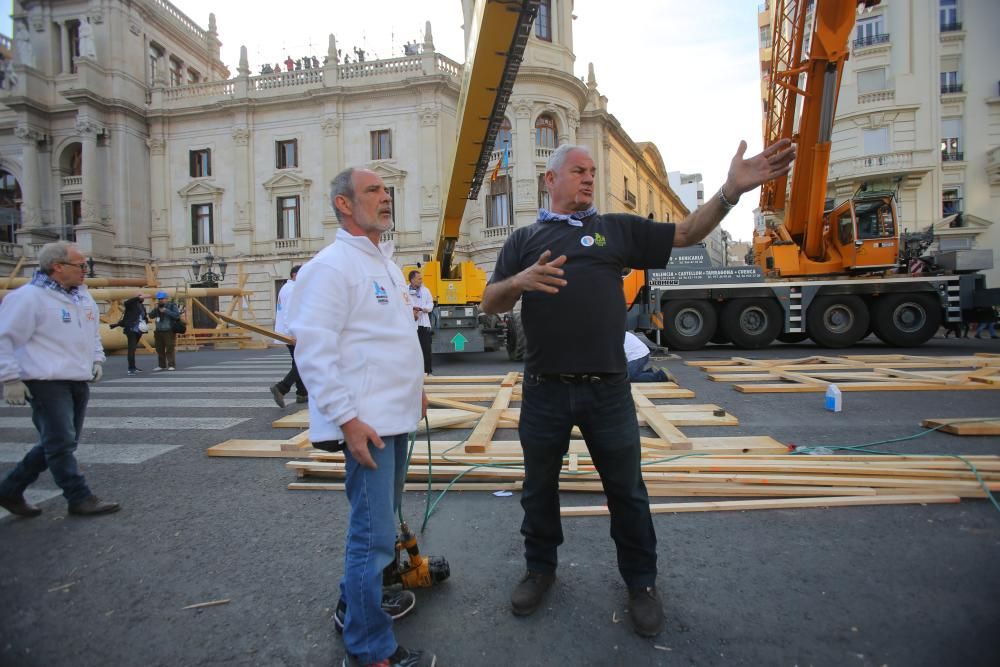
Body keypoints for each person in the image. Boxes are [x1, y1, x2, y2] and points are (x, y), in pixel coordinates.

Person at [481, 139, 794, 637]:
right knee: (539, 489)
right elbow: (489, 303)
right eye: (578, 171)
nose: (588, 178)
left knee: (627, 491)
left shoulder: (615, 230)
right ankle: (539, 569)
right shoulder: (524, 239)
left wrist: (731, 191)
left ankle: (641, 583)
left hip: (607, 390)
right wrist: (520, 280)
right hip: (545, 390)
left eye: (591, 171)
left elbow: (688, 231)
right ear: (551, 180)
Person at [288, 167, 434, 667]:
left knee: (380, 525)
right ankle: (370, 649)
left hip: (393, 418)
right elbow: (314, 352)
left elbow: (389, 340)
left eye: (388, 190)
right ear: (344, 204)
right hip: (366, 426)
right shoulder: (330, 268)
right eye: (373, 190)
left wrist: (415, 388)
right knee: (371, 538)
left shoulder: (388, 266)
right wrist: (347, 420)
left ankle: (355, 606)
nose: (385, 197)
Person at [0, 240, 120, 517]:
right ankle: (79, 497)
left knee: (60, 442)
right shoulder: (29, 298)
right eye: (80, 265)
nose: (85, 270)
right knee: (61, 441)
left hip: (77, 377)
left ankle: (9, 489)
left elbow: (91, 333)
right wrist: (10, 379)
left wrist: (96, 359)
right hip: (45, 380)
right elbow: (4, 338)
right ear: (58, 267)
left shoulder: (80, 296)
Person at [270, 265, 308, 408]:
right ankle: (281, 388)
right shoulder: (292, 290)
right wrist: (292, 334)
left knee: (298, 361)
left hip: (287, 332)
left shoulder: (286, 288)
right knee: (303, 362)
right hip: (292, 333)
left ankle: (302, 393)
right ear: (294, 275)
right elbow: (288, 313)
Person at [110, 293, 150, 376]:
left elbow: (144, 317)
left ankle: (134, 367)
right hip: (131, 329)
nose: (142, 298)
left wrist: (146, 322)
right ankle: (131, 369)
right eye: (140, 296)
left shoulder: (142, 306)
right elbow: (126, 303)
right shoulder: (131, 304)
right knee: (131, 349)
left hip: (139, 330)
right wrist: (137, 297)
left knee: (133, 348)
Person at [407, 270, 434, 375]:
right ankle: (413, 373)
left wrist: (425, 308)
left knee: (426, 348)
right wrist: (412, 311)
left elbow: (430, 303)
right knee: (412, 350)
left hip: (423, 323)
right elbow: (402, 303)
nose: (421, 280)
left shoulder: (425, 290)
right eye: (419, 278)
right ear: (412, 280)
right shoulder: (405, 290)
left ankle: (428, 371)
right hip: (411, 324)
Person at [148, 291, 180, 371]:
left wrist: (166, 311)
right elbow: (151, 316)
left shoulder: (172, 305)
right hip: (158, 330)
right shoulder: (157, 307)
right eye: (159, 299)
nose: (160, 300)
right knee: (159, 349)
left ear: (166, 299)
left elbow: (176, 315)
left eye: (162, 299)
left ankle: (171, 365)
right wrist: (155, 309)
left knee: (170, 348)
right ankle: (161, 365)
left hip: (168, 330)